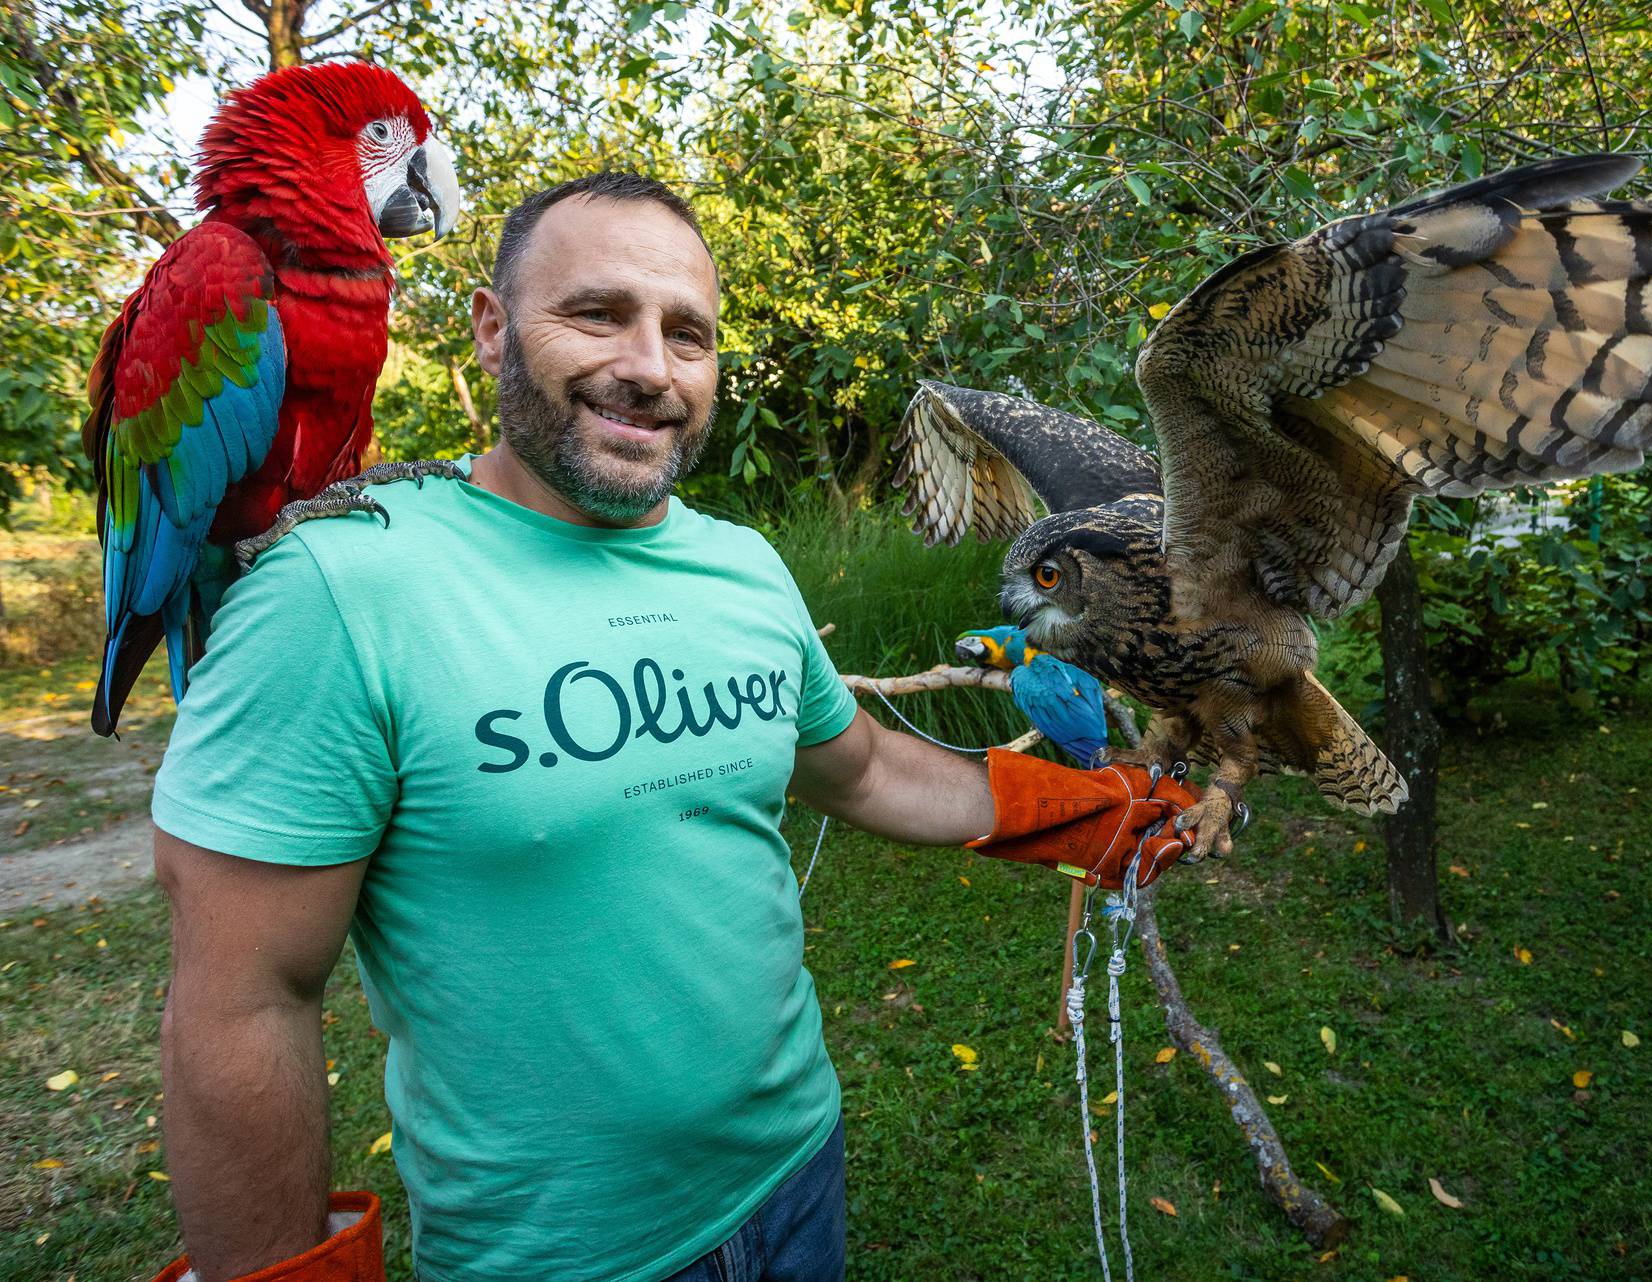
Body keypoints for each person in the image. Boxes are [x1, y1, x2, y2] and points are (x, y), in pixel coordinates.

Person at [148, 172, 1197, 1282]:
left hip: (797, 1173)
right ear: (493, 327)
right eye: (597, 313)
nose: (648, 367)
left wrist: (1094, 811)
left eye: (686, 333)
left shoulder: (740, 565)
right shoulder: (342, 588)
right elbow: (245, 1001)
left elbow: (862, 770)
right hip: (560, 1258)